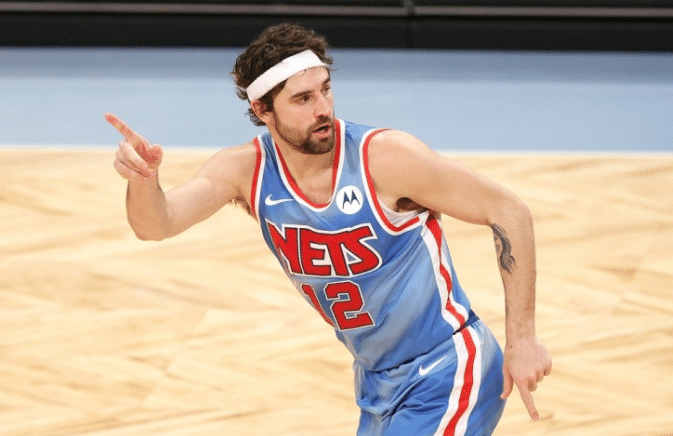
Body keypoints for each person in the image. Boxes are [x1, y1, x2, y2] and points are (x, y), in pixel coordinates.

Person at [106, 23, 551, 436]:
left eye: (325, 90)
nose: (323, 109)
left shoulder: (385, 158)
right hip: (377, 384)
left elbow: (508, 210)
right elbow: (156, 225)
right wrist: (144, 180)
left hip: (447, 369)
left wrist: (522, 338)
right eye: (302, 99)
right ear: (262, 110)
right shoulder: (245, 171)